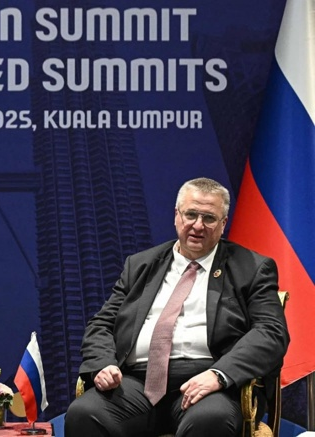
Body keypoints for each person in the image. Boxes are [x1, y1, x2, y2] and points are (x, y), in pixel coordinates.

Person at [64, 177, 289, 437]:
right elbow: (102, 324)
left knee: (211, 419)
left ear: (223, 224)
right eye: (191, 214)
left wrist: (219, 374)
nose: (198, 225)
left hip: (208, 384)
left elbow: (271, 332)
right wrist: (103, 363)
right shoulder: (140, 265)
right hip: (136, 383)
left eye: (209, 218)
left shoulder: (251, 268)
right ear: (176, 216)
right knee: (84, 413)